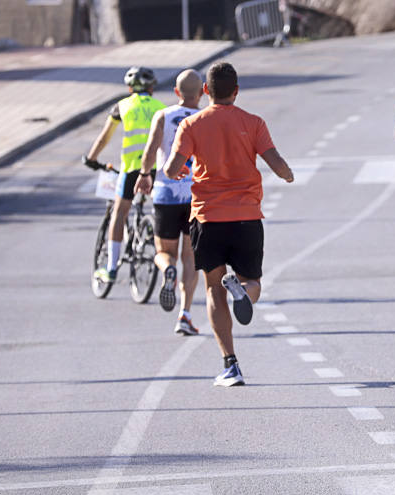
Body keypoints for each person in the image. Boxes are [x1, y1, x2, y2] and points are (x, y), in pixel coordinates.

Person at [163, 62, 295, 387]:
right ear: (236, 91)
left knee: (212, 290)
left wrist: (178, 171)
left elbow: (171, 169)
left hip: (208, 218)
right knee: (255, 283)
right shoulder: (253, 122)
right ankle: (244, 292)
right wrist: (287, 174)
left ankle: (230, 365)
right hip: (247, 217)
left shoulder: (192, 124)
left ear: (206, 90)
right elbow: (276, 162)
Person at [134, 69, 204, 336]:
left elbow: (151, 149)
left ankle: (167, 271)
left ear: (176, 93)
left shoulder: (163, 115)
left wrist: (144, 175)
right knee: (191, 257)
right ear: (201, 93)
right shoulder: (203, 118)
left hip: (165, 192)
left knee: (164, 253)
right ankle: (184, 315)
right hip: (195, 195)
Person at [84, 66, 166, 284]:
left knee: (119, 214)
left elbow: (103, 138)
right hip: (155, 168)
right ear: (151, 87)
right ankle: (165, 257)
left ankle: (110, 268)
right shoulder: (161, 108)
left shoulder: (122, 106)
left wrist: (91, 159)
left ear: (130, 88)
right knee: (160, 210)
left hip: (131, 168)